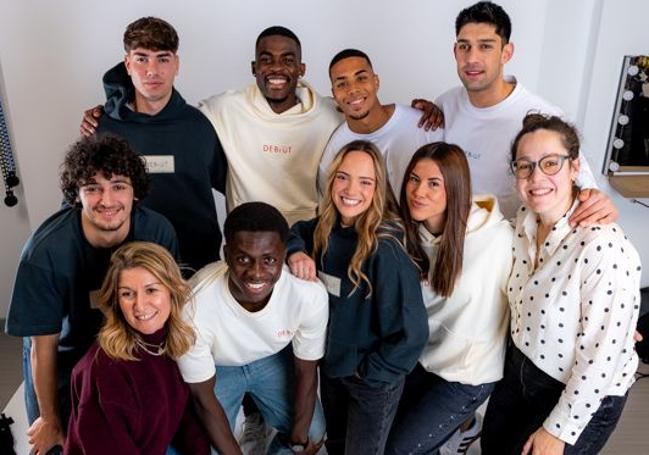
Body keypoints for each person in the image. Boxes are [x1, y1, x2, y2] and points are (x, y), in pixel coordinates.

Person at [4, 135, 178, 455]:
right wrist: (50, 418)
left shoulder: (157, 232)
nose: (107, 200)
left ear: (135, 191)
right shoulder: (45, 253)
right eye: (93, 188)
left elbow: (165, 312)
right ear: (77, 194)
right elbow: (43, 347)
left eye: (118, 186)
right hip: (65, 354)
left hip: (128, 342)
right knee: (58, 442)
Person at [481, 113, 642, 454]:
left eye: (550, 163)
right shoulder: (524, 221)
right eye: (525, 166)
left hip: (581, 390)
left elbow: (601, 358)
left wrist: (559, 431)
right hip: (523, 366)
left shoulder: (602, 245)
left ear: (574, 167)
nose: (536, 176)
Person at [415, 1, 616, 226]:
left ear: (506, 53)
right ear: (455, 51)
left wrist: (598, 201)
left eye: (485, 46)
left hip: (514, 249)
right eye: (464, 46)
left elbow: (587, 194)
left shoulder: (542, 117)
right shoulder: (446, 103)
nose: (471, 58)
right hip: (452, 242)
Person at [288, 140, 429, 455]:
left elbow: (412, 335)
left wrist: (369, 374)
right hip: (334, 370)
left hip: (371, 381)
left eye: (365, 181)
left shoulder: (386, 248)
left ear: (378, 188)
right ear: (332, 178)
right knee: (337, 446)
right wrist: (296, 252)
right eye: (343, 176)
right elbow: (290, 232)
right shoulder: (323, 230)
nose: (351, 189)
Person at [384, 143, 513, 455]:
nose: (418, 192)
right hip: (421, 360)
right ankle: (463, 428)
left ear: (455, 188)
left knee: (398, 451)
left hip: (467, 374)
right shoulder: (404, 233)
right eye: (413, 179)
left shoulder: (497, 238)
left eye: (433, 184)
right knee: (374, 438)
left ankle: (462, 425)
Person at [177, 202, 329, 455]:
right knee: (206, 448)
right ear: (226, 255)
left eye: (269, 260)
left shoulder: (308, 294)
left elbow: (306, 370)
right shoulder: (193, 307)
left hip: (271, 360)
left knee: (312, 435)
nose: (256, 273)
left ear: (284, 254)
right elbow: (202, 398)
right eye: (243, 259)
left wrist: (299, 441)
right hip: (218, 368)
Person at [80, 16, 227, 273]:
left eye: (162, 58)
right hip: (126, 267)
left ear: (176, 64)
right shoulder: (103, 129)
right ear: (127, 64)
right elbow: (81, 200)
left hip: (195, 266)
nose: (152, 70)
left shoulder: (201, 126)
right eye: (141, 58)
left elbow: (234, 186)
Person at [65, 242, 209, 455]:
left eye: (151, 290)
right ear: (116, 300)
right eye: (127, 294)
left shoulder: (170, 340)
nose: (140, 306)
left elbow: (185, 418)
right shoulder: (105, 369)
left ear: (172, 290)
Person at [318, 49, 443, 195]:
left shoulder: (424, 123)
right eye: (342, 84)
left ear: (376, 82)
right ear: (334, 94)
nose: (352, 89)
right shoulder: (334, 150)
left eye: (361, 78)